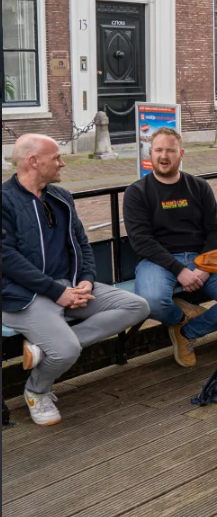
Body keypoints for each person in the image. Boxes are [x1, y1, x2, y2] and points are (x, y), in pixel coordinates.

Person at [2, 134, 150, 426]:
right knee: (67, 350)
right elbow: (6, 258)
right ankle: (37, 389)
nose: (63, 163)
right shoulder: (4, 202)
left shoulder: (61, 197)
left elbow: (81, 243)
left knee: (138, 306)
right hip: (23, 296)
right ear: (34, 161)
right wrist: (56, 291)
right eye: (56, 157)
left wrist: (87, 279)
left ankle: (44, 350)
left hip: (68, 287)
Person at [124, 127, 217, 368]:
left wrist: (204, 265)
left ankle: (187, 332)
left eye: (171, 150)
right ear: (150, 154)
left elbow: (216, 229)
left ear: (181, 153)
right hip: (158, 261)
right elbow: (141, 240)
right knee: (151, 303)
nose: (164, 156)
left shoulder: (199, 187)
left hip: (201, 257)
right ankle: (182, 316)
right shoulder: (136, 192)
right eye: (159, 150)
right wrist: (179, 270)